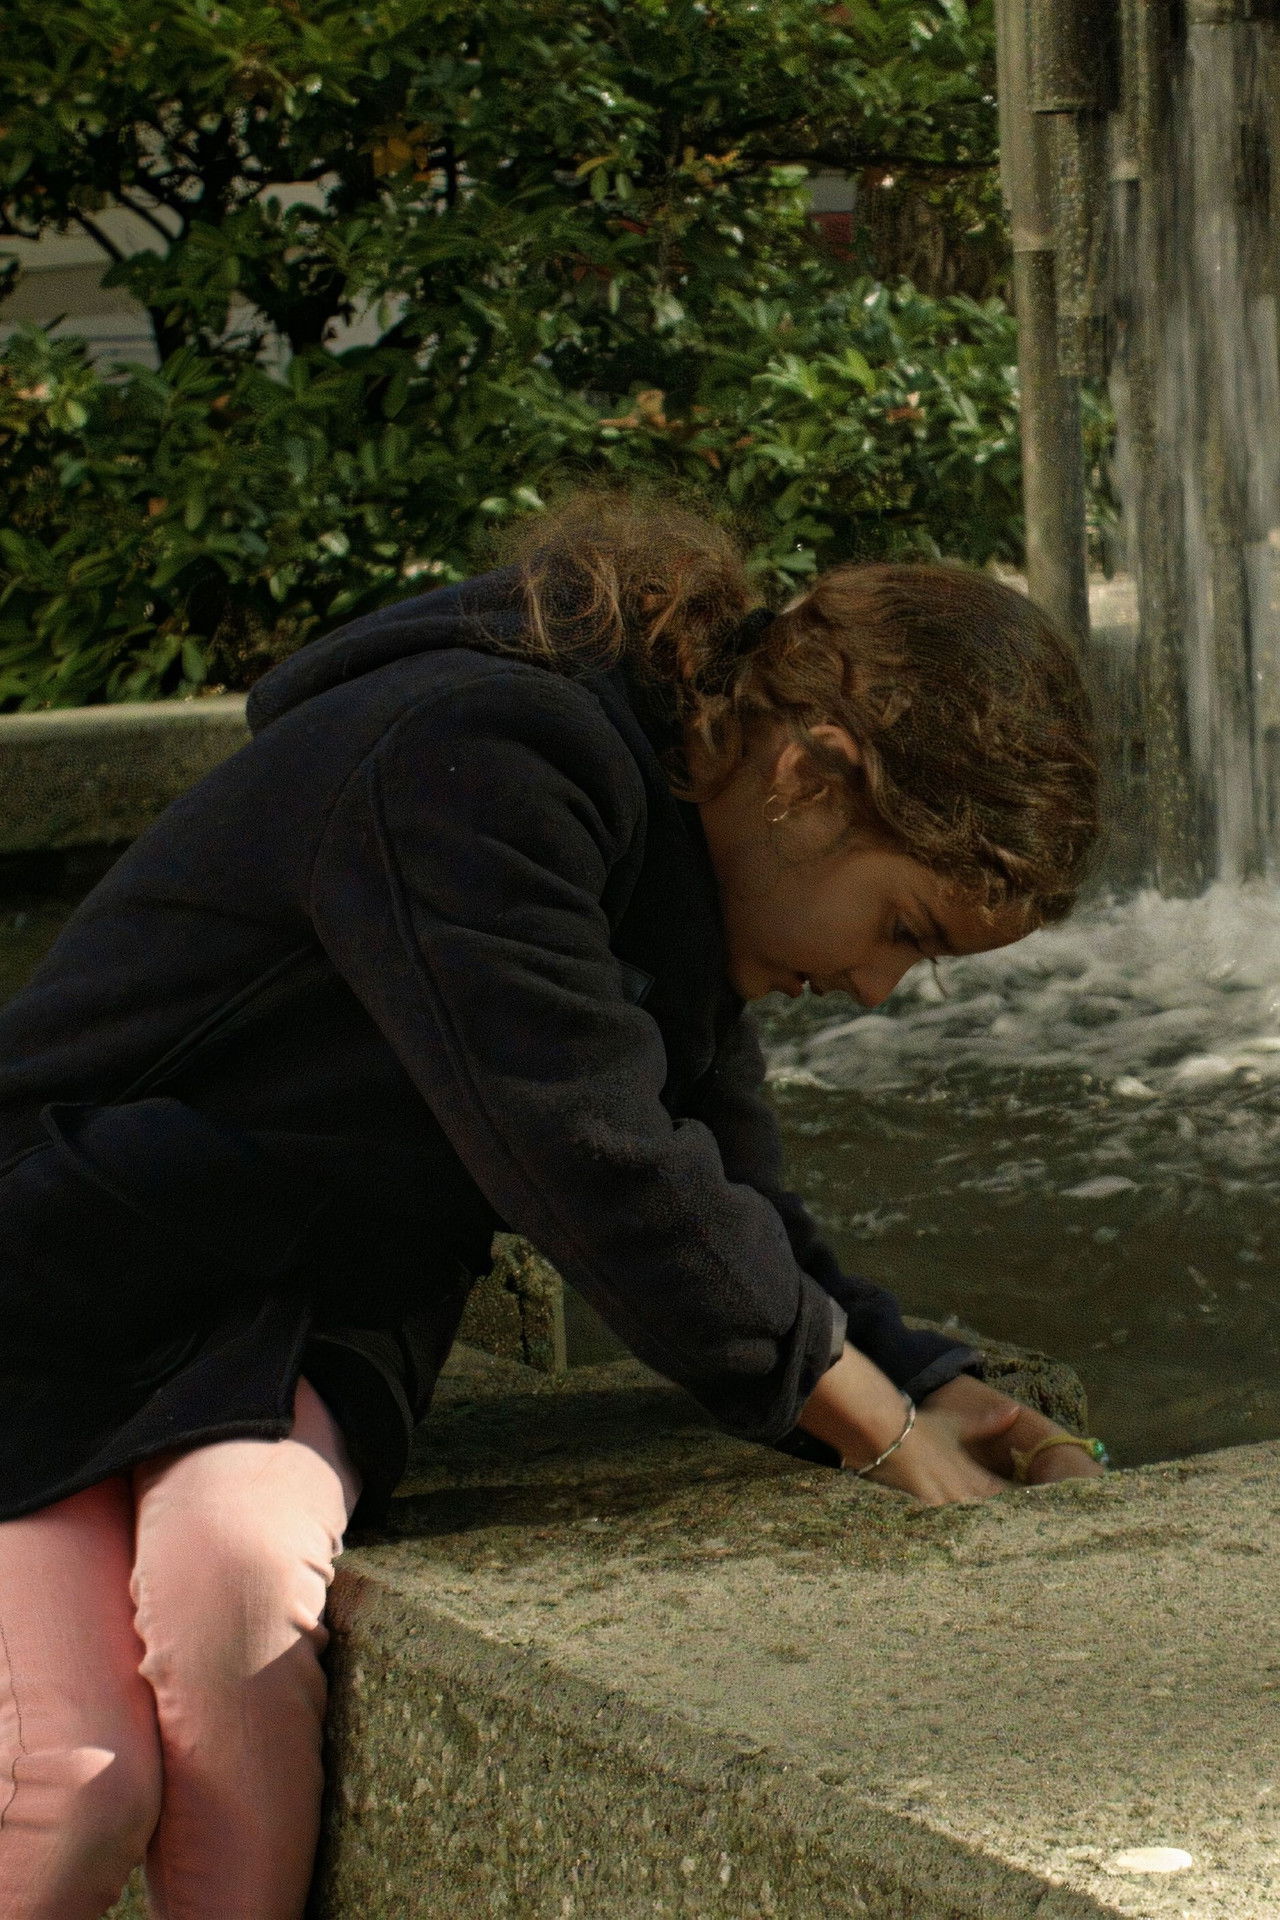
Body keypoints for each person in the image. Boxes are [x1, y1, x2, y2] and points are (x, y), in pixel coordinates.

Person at [0, 496, 1105, 1919]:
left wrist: (924, 1375)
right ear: (812, 776)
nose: (883, 987)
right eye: (905, 930)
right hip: (48, 1278)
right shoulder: (481, 761)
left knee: (230, 1585)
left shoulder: (672, 861)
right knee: (67, 1787)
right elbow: (587, 1155)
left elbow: (726, 1191)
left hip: (298, 1317)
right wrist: (875, 1432)